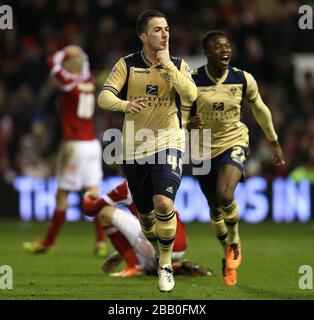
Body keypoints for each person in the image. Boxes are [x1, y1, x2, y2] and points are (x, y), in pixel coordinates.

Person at [97, 9, 197, 292]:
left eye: (166, 29)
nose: (164, 34)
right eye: (157, 30)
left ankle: (164, 265)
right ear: (143, 36)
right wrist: (124, 104)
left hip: (169, 141)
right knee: (146, 218)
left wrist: (168, 67)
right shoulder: (127, 65)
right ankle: (157, 254)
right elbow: (104, 96)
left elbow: (191, 95)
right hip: (134, 147)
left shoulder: (178, 64)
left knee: (164, 204)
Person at [183, 30, 285, 286]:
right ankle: (226, 252)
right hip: (202, 148)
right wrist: (187, 123)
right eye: (217, 47)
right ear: (207, 53)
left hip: (233, 141)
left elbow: (260, 108)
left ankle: (235, 241)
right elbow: (177, 116)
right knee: (214, 210)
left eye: (227, 45)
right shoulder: (191, 81)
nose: (224, 50)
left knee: (225, 195)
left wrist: (273, 141)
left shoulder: (242, 78)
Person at [23, 45, 107, 256]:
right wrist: (79, 53)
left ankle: (48, 243)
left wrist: (65, 52)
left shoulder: (69, 84)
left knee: (62, 196)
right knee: (94, 196)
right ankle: (101, 242)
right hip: (92, 145)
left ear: (69, 65)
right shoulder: (90, 82)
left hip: (74, 145)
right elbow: (82, 64)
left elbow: (52, 62)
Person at [83, 181, 213, 277]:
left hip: (158, 245)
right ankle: (175, 267)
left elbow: (90, 209)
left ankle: (135, 265)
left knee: (105, 213)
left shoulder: (128, 186)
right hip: (181, 244)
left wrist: (88, 195)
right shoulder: (163, 182)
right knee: (155, 225)